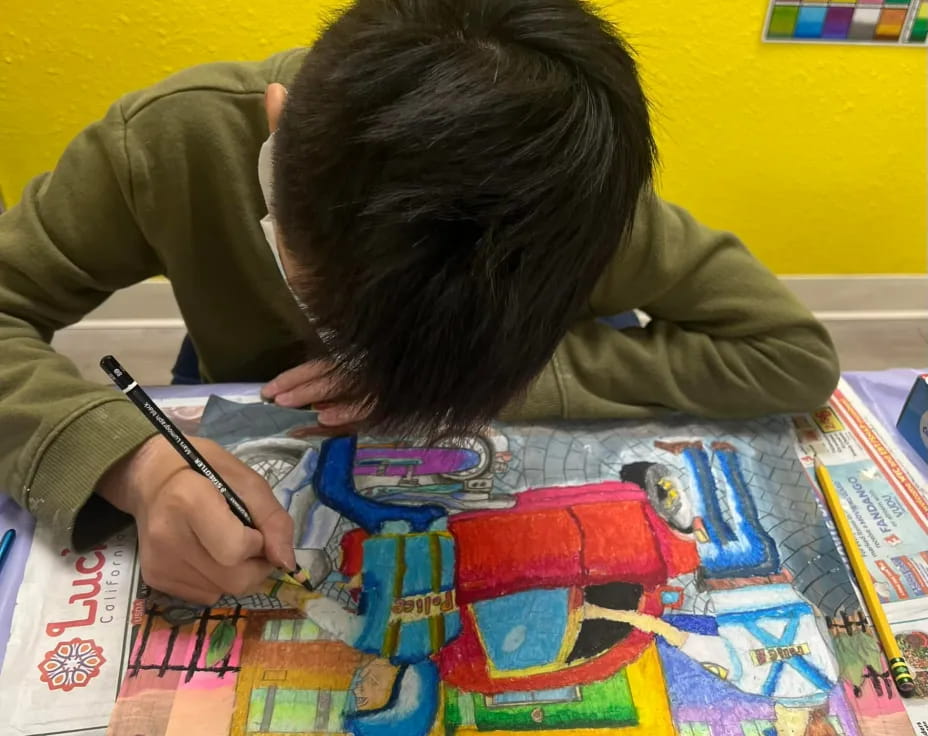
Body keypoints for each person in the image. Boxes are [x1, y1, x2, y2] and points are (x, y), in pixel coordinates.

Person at [0, 0, 839, 605]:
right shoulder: (168, 142)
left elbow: (790, 357)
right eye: (343, 306)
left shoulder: (572, 206)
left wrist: (512, 378)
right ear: (280, 128)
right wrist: (136, 466)